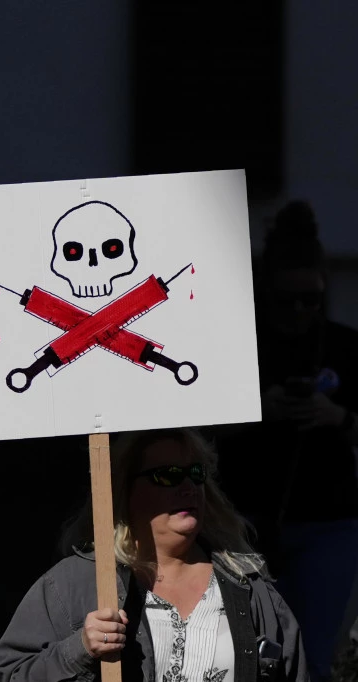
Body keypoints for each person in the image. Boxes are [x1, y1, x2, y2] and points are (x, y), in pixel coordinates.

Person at [0, 427, 308, 682]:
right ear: (124, 490)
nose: (188, 487)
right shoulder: (73, 584)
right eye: (168, 475)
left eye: (195, 473)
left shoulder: (248, 586)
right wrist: (79, 649)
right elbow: (11, 674)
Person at [215, 200, 358, 681]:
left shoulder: (344, 346)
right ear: (264, 291)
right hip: (244, 524)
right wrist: (261, 408)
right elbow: (198, 431)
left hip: (327, 521)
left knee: (311, 659)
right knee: (247, 659)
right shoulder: (239, 343)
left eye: (311, 300)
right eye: (286, 300)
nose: (299, 312)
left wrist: (337, 416)